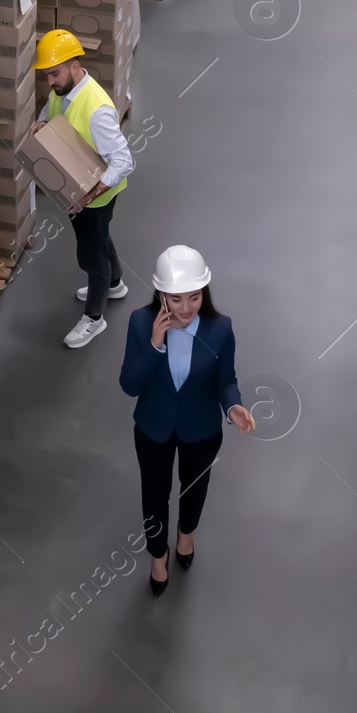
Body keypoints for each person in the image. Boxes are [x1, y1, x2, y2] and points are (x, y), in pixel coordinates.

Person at [118, 246, 255, 596]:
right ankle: (157, 555)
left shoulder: (220, 329)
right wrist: (154, 342)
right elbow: (129, 386)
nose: (186, 308)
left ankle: (185, 537)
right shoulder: (139, 322)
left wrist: (233, 407)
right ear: (160, 294)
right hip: (153, 428)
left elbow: (226, 379)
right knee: (155, 494)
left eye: (194, 297)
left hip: (201, 428)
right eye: (176, 299)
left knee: (194, 489)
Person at [30, 29, 134, 349]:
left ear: (75, 66)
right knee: (99, 239)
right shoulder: (63, 91)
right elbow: (52, 108)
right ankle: (115, 284)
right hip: (81, 188)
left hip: (95, 196)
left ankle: (94, 318)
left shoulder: (96, 109)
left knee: (91, 256)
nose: (50, 82)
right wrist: (41, 121)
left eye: (55, 74)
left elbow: (124, 161)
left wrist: (90, 194)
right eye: (47, 75)